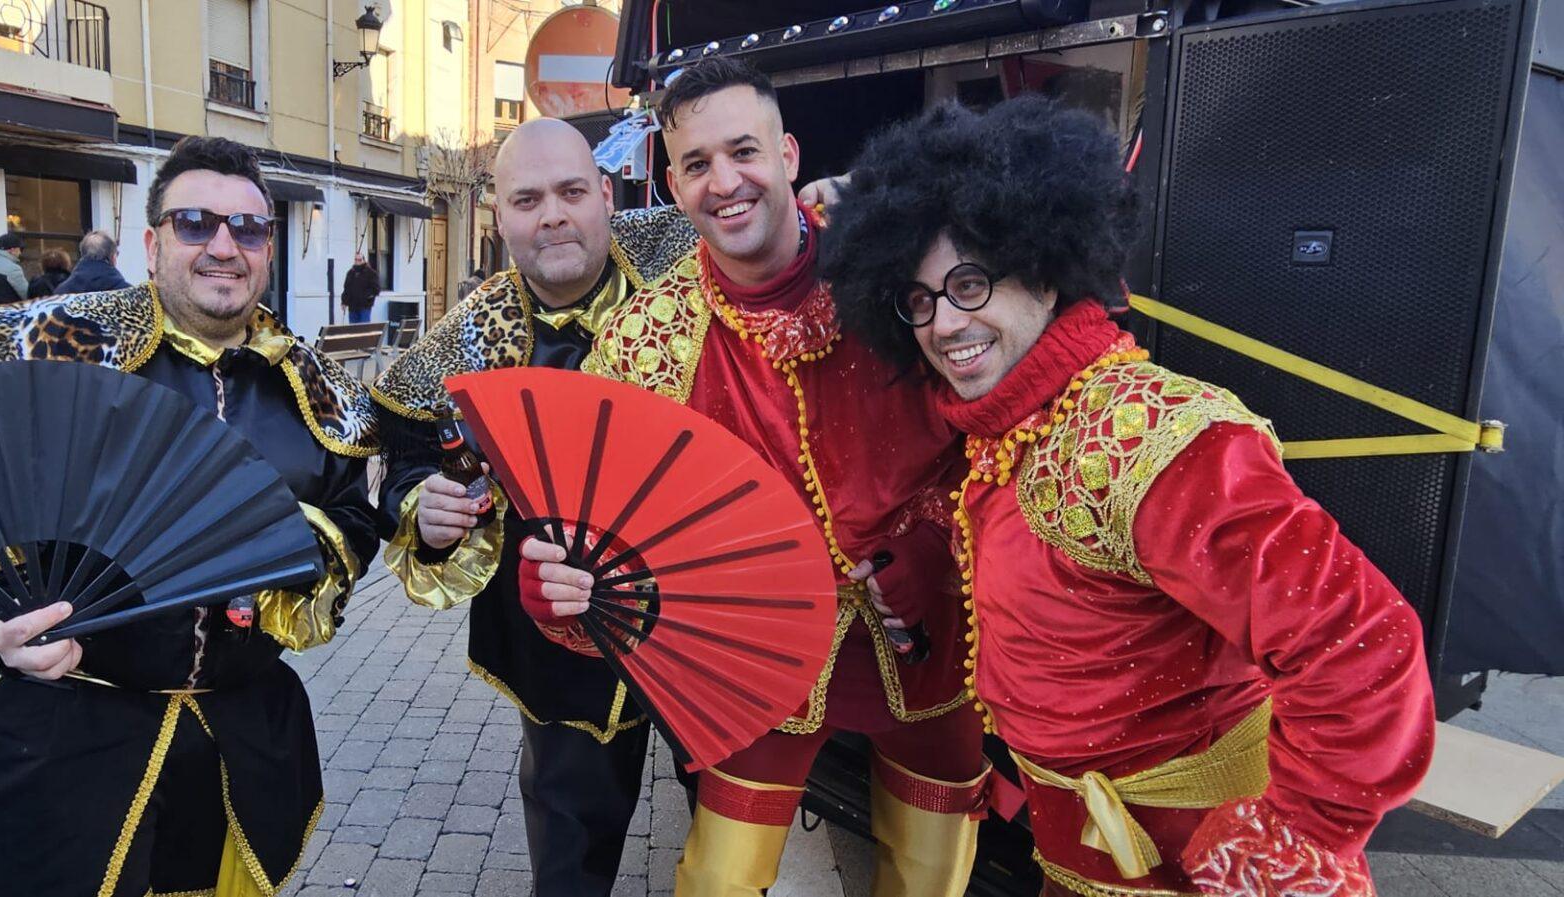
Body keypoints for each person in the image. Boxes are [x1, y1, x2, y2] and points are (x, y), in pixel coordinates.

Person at [824, 97, 1435, 897]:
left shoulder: (1154, 438)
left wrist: (1286, 839)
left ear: (1043, 264)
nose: (943, 322)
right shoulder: (1005, 428)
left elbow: (1367, 647)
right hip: (1078, 862)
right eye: (919, 300)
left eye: (969, 282)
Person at [537, 58, 989, 896]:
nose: (725, 181)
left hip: (930, 650)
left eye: (742, 151)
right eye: (698, 164)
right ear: (673, 184)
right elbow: (598, 530)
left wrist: (935, 553)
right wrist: (563, 589)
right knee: (717, 878)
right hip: (763, 665)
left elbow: (999, 436)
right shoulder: (645, 340)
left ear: (787, 153)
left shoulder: (902, 280)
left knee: (932, 879)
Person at [0, 135, 380, 897]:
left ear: (267, 249)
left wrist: (287, 546)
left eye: (248, 229)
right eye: (197, 223)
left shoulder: (311, 386)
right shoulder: (62, 358)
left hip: (241, 747)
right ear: (154, 244)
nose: (224, 246)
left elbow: (355, 514)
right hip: (69, 749)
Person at [372, 117, 698, 896]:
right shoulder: (467, 338)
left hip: (701, 620)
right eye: (527, 198)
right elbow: (401, 433)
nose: (551, 213)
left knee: (729, 849)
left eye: (571, 192)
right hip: (562, 640)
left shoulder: (687, 258)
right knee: (570, 859)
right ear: (500, 217)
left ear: (605, 196)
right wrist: (424, 501)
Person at [55, 230, 132, 294]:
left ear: (83, 254)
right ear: (112, 257)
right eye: (116, 254)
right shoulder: (128, 293)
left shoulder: (61, 292)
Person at [341, 253, 380, 323]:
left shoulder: (371, 273)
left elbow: (376, 289)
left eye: (359, 260)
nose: (357, 262)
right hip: (352, 306)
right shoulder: (350, 273)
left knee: (364, 329)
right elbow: (346, 289)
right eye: (356, 260)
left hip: (364, 306)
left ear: (364, 260)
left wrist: (366, 296)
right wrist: (344, 302)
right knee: (353, 330)